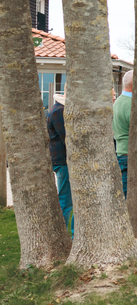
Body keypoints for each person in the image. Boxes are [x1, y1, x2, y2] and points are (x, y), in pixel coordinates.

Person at [47, 92, 72, 232]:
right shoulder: (59, 111)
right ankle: (61, 234)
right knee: (65, 200)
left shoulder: (59, 109)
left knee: (67, 199)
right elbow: (67, 139)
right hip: (62, 161)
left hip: (62, 160)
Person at [112, 70, 134, 196]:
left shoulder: (118, 102)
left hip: (121, 150)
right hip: (129, 153)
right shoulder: (131, 104)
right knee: (128, 194)